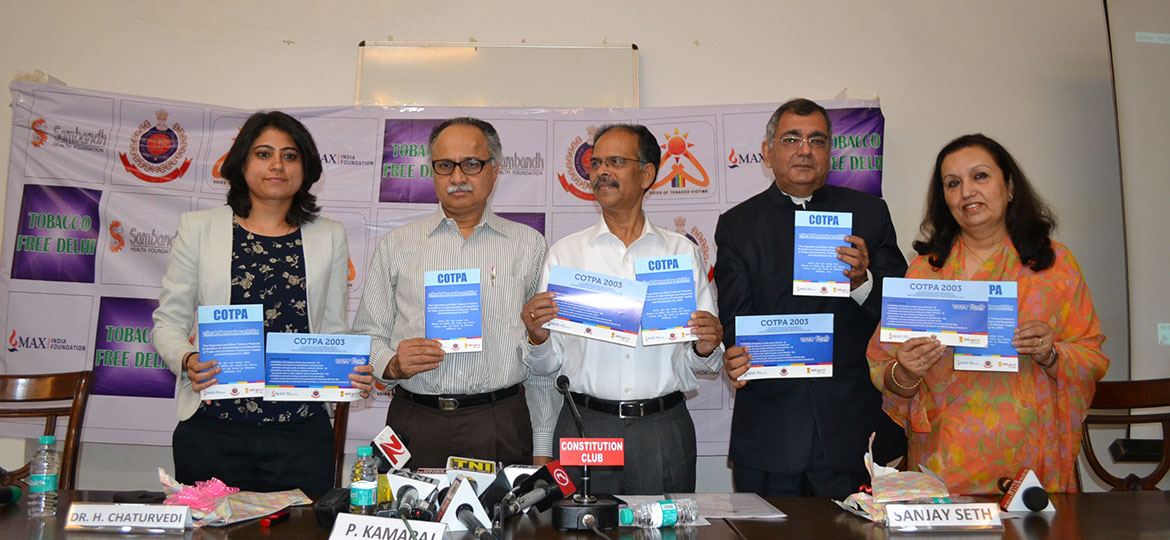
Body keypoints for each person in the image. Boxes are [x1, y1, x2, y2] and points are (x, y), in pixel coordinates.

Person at [866, 134, 1108, 494]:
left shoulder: (1055, 266)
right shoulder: (925, 272)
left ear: (1009, 186)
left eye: (980, 176)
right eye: (953, 183)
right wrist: (907, 371)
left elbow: (1093, 359)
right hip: (945, 464)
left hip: (1032, 467)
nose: (967, 192)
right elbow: (884, 368)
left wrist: (1051, 354)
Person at [152, 111, 374, 496]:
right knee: (212, 527)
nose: (277, 165)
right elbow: (168, 322)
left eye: (290, 156)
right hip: (213, 429)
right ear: (242, 163)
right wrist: (187, 359)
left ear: (306, 168)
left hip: (301, 434)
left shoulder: (329, 236)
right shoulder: (198, 228)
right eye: (263, 154)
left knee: (302, 527)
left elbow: (332, 331)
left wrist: (350, 372)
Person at [715, 98, 908, 498]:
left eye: (817, 140)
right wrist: (736, 354)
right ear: (767, 152)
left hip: (853, 432)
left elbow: (901, 308)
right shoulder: (738, 225)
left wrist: (862, 281)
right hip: (770, 431)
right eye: (792, 139)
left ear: (829, 152)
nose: (805, 150)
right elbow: (735, 321)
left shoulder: (869, 213)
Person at [522, 123, 724, 494]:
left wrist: (706, 346)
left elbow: (703, 363)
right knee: (580, 524)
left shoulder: (681, 252)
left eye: (615, 162)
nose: (602, 171)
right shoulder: (566, 254)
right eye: (596, 163)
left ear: (647, 174)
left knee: (666, 525)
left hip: (662, 427)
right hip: (585, 426)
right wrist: (537, 337)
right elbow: (547, 365)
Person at [352, 117, 554, 468]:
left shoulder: (529, 245)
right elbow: (367, 336)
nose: (458, 177)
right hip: (414, 422)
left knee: (503, 509)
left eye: (471, 164)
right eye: (445, 165)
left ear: (495, 170)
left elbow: (542, 357)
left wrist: (542, 447)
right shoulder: (396, 245)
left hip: (500, 421)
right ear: (432, 171)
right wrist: (393, 364)